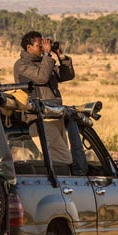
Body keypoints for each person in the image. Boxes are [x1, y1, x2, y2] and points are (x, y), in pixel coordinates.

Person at [14, 31, 75, 164]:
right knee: (62, 159)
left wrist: (60, 55)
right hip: (40, 119)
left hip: (55, 115)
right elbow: (41, 78)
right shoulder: (22, 65)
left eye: (43, 45)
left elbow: (67, 75)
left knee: (62, 158)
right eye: (39, 45)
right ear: (28, 48)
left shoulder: (44, 63)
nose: (42, 48)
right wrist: (47, 55)